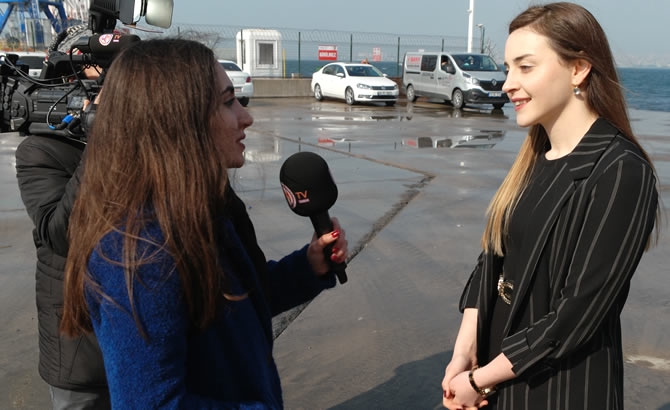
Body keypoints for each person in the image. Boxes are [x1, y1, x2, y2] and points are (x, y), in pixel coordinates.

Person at [59, 37, 349, 409]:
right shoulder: (140, 252)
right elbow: (152, 404)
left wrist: (306, 268)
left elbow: (233, 307)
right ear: (178, 120)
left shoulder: (199, 208)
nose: (246, 117)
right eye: (228, 102)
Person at [441, 3, 660, 410]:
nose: (508, 84)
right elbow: (493, 258)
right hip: (495, 378)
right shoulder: (535, 156)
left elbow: (577, 314)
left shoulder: (620, 171)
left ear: (578, 69)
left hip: (559, 390)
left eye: (525, 67)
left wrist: (479, 380)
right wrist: (464, 351)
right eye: (508, 68)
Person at [15, 25, 110, 410]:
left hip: (149, 342)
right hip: (82, 353)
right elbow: (63, 234)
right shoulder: (39, 151)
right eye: (100, 70)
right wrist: (101, 138)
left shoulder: (141, 140)